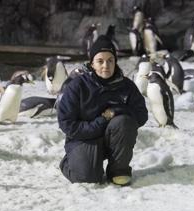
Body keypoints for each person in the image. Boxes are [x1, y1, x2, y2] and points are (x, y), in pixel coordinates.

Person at [57, 35, 148, 186]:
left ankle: (118, 170)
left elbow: (141, 115)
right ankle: (69, 162)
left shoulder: (126, 86)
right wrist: (103, 119)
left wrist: (118, 110)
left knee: (124, 121)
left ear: (115, 62)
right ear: (92, 63)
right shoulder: (77, 86)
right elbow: (67, 124)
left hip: (112, 139)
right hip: (84, 139)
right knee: (88, 179)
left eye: (110, 60)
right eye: (100, 61)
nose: (106, 65)